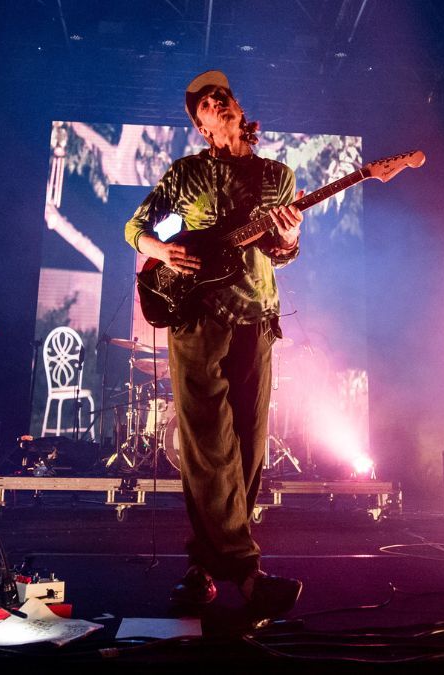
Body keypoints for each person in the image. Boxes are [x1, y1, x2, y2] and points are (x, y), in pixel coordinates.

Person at [123, 70, 305, 618]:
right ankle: (247, 573)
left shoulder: (279, 176)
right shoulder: (185, 173)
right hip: (196, 314)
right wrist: (161, 251)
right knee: (207, 443)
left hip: (256, 314)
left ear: (236, 108)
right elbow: (135, 226)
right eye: (205, 102)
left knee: (248, 448)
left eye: (222, 95)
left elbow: (283, 252)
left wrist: (291, 233)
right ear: (201, 125)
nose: (216, 101)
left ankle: (203, 567)